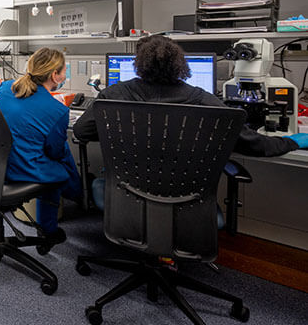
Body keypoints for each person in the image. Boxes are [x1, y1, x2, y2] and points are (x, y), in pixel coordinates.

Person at [73, 35, 308, 209]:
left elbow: (82, 131)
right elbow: (255, 144)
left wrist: (120, 131)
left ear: (138, 65)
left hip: (126, 193)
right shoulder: (205, 101)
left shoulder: (113, 96)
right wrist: (292, 142)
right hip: (188, 200)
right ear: (181, 66)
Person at [0, 47, 83, 243]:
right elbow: (55, 152)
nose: (64, 75)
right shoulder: (58, 110)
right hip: (19, 170)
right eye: (64, 71)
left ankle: (78, 193)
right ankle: (49, 229)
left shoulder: (6, 87)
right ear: (54, 75)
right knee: (60, 169)